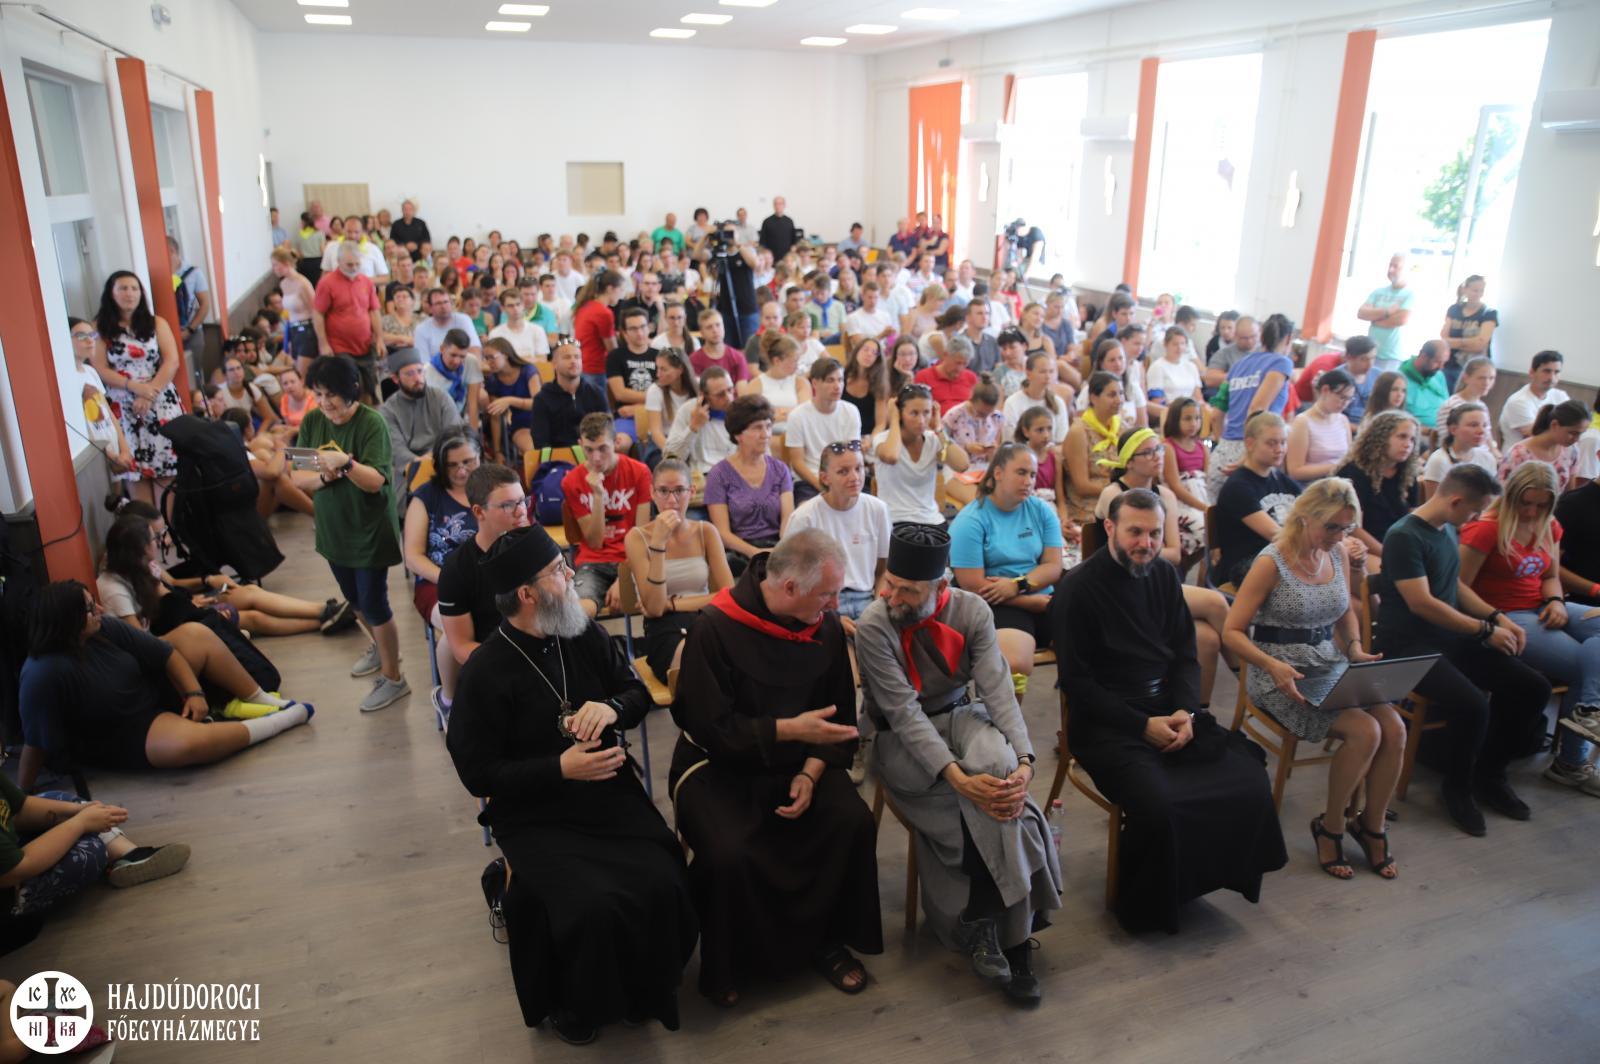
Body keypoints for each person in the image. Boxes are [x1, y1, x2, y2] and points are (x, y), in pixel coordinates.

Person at [445, 526, 697, 1044]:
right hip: (533, 810)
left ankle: (642, 988)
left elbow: (635, 692)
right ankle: (578, 1004)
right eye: (559, 570)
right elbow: (477, 773)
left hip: (606, 791)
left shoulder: (582, 634)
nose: (571, 574)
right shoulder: (484, 672)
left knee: (662, 875)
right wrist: (559, 769)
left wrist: (613, 707)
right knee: (587, 904)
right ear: (527, 593)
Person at [1055, 489, 1287, 931]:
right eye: (1135, 532)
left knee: (1248, 778)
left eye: (1154, 533)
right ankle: (1146, 903)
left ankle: (1195, 882)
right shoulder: (1077, 589)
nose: (1145, 543)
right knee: (1160, 803)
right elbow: (1077, 683)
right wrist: (1141, 726)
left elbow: (1184, 655)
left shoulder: (1163, 574)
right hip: (1106, 724)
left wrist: (1186, 712)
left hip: (1169, 709)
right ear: (1110, 528)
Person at [668, 528, 882, 1004]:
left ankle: (826, 941)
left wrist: (810, 772)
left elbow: (838, 721)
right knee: (729, 852)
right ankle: (732, 964)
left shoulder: (824, 626)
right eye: (827, 594)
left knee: (850, 822)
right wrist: (788, 729)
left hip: (799, 761)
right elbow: (711, 727)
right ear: (789, 587)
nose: (835, 605)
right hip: (717, 764)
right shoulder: (714, 627)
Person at [857, 525, 1060, 1002]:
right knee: (1004, 812)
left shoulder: (972, 611)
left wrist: (1025, 760)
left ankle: (980, 921)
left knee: (1002, 774)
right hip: (900, 739)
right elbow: (904, 716)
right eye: (890, 584)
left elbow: (997, 691)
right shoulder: (873, 625)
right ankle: (1016, 941)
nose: (893, 597)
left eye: (908, 591)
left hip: (961, 714)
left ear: (941, 587)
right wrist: (955, 777)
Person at [1223, 478, 1404, 879]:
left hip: (1327, 660)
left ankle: (1371, 825)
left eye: (1346, 527)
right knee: (1365, 731)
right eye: (1332, 527)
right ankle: (1331, 826)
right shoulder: (1272, 561)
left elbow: (1344, 610)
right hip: (1279, 669)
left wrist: (1354, 648)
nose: (1339, 536)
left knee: (1394, 726)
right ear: (1305, 517)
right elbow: (1231, 631)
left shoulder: (1336, 552)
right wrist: (1271, 665)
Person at [1374, 463, 1551, 836]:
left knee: (1534, 687)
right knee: (1473, 705)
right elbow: (1421, 603)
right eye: (1475, 510)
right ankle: (1457, 788)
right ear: (1455, 501)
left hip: (1446, 638)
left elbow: (1454, 586)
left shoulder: (1447, 528)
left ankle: (1490, 772)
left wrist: (1497, 617)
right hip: (1408, 646)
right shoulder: (1404, 535)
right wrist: (1484, 630)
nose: (1476, 518)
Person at [18, 582, 313, 791]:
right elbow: (35, 743)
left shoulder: (103, 628)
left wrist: (194, 694)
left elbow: (165, 653)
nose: (98, 608)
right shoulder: (42, 674)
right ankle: (283, 720)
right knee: (190, 746)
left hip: (148, 688)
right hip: (123, 730)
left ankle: (263, 699)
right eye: (88, 608)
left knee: (195, 633)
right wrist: (22, 797)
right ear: (67, 621)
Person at [1457, 461, 1600, 798]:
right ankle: (1571, 762)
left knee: (1592, 650)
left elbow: (1550, 576)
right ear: (1511, 497)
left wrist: (1556, 601)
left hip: (1540, 606)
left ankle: (1589, 710)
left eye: (1541, 505)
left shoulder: (1549, 526)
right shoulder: (1486, 529)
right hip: (1506, 614)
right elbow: (1458, 586)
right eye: (1526, 503)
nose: (1532, 512)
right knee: (1582, 665)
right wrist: (1495, 617)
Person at [293, 355, 409, 712]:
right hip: (334, 530)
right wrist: (324, 476)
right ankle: (382, 648)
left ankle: (394, 678)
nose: (324, 402)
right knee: (354, 599)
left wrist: (346, 463)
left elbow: (375, 482)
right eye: (318, 394)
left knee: (374, 603)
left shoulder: (372, 422)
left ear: (351, 390)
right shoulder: (313, 420)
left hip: (369, 530)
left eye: (331, 394)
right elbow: (298, 477)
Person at [1095, 429, 1235, 707]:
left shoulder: (1165, 495)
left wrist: (1146, 551)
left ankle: (1197, 713)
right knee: (1216, 602)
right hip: (1121, 584)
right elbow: (1130, 554)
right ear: (1129, 461)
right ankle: (1250, 680)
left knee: (1207, 640)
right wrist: (1153, 550)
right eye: (1147, 452)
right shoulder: (1113, 494)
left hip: (1158, 579)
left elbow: (1175, 554)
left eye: (1159, 449)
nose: (1157, 457)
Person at [99, 512, 350, 639]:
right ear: (140, 546)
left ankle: (325, 610)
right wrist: (193, 604)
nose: (162, 541)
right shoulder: (116, 586)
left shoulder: (144, 564)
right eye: (155, 537)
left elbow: (171, 584)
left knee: (249, 592)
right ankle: (324, 621)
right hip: (175, 626)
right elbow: (142, 637)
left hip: (184, 607)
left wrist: (206, 582)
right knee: (251, 617)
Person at [949, 444, 1064, 691]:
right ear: (998, 473)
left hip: (1037, 598)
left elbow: (1053, 566)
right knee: (1015, 663)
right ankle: (1006, 718)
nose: (1028, 481)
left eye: (1032, 474)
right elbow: (972, 587)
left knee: (1096, 643)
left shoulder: (1042, 511)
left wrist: (1017, 585)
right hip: (994, 603)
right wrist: (1027, 601)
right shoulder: (970, 520)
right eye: (1021, 472)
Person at [624, 459, 734, 680]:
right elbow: (655, 608)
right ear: (652, 493)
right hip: (663, 627)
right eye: (664, 491)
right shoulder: (637, 538)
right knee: (700, 660)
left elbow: (729, 596)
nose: (672, 500)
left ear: (691, 492)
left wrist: (672, 604)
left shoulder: (706, 532)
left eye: (679, 490)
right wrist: (658, 543)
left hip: (706, 617)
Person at [90, 271, 185, 506]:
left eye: (134, 288)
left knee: (166, 468)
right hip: (123, 402)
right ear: (111, 293)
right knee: (134, 470)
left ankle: (167, 526)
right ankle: (149, 525)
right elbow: (99, 367)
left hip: (160, 399)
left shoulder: (157, 323)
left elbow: (171, 361)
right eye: (123, 288)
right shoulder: (100, 327)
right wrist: (134, 387)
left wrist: (149, 392)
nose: (129, 294)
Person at [787, 442, 891, 633]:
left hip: (868, 599)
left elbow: (883, 571)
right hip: (823, 604)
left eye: (859, 468)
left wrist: (878, 609)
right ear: (825, 478)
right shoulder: (804, 517)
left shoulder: (878, 509)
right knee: (842, 646)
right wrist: (827, 617)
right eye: (843, 471)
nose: (854, 477)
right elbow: (793, 581)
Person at [564, 414, 653, 618]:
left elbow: (642, 535)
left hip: (633, 558)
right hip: (594, 561)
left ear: (616, 442)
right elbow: (595, 542)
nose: (596, 458)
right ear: (580, 445)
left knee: (656, 597)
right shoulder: (572, 481)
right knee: (577, 613)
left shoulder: (639, 472)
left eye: (603, 448)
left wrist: (624, 578)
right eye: (589, 450)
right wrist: (597, 495)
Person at [1208, 315, 1295, 502]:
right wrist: (1247, 455)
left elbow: (1216, 414)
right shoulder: (1281, 363)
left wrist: (1222, 443)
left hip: (1223, 451)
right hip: (1255, 452)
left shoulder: (1238, 365)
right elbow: (1257, 407)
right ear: (1288, 339)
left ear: (1261, 336)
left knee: (1214, 514)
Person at [705, 395, 793, 578]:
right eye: (757, 428)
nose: (766, 434)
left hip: (777, 548)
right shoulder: (719, 474)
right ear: (738, 435)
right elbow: (722, 532)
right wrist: (753, 552)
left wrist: (781, 549)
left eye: (768, 426)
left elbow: (788, 519)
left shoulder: (780, 469)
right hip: (739, 551)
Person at [1215, 412, 1302, 588]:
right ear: (1250, 443)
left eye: (1283, 442)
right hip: (1248, 566)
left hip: (1283, 558)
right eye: (1271, 443)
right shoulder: (1238, 487)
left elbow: (1312, 515)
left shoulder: (1282, 480)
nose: (1279, 449)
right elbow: (1276, 535)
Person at [402, 432, 480, 623]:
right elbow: (413, 557)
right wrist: (450, 580)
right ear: (440, 466)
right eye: (452, 465)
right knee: (461, 621)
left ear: (479, 456)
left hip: (491, 576)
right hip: (439, 581)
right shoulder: (426, 497)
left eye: (468, 462)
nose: (461, 472)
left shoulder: (495, 488)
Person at [1337, 410, 1421, 571]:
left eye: (1412, 439)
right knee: (1394, 574)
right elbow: (1353, 528)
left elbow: (1413, 518)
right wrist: (1388, 553)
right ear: (1380, 438)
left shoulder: (1407, 473)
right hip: (1363, 546)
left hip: (1397, 543)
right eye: (1402, 437)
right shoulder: (1355, 472)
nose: (1408, 444)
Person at [875, 383, 969, 529]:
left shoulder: (934, 439)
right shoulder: (883, 439)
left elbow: (962, 465)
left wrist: (939, 428)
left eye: (926, 413)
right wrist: (893, 419)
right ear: (900, 413)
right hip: (895, 521)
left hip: (931, 520)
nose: (921, 421)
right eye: (914, 413)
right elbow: (892, 456)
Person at [380, 346, 465, 490]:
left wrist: (436, 459)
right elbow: (396, 450)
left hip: (445, 462)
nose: (418, 379)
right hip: (410, 469)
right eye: (409, 374)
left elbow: (454, 434)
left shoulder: (441, 397)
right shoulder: (388, 410)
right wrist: (422, 465)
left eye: (420, 371)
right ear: (395, 378)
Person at [313, 241, 387, 401]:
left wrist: (380, 338)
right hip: (339, 346)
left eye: (357, 264)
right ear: (338, 261)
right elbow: (318, 314)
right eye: (349, 264)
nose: (354, 268)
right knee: (349, 390)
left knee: (370, 389)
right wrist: (323, 344)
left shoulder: (366, 281)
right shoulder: (327, 283)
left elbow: (374, 310)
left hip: (365, 345)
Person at [785, 357, 860, 505]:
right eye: (830, 380)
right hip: (810, 481)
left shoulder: (851, 411)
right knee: (806, 511)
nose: (837, 386)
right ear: (815, 383)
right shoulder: (797, 415)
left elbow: (853, 453)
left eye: (840, 380)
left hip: (844, 477)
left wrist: (841, 482)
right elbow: (797, 463)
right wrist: (823, 486)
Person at [68, 316, 134, 475]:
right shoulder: (67, 379)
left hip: (112, 446)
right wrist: (110, 456)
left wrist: (125, 449)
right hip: (97, 456)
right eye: (81, 336)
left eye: (92, 335)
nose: (89, 340)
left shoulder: (90, 371)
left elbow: (109, 413)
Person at [1062, 370, 1124, 526]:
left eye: (1121, 393)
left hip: (1120, 499)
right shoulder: (1079, 432)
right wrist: (1120, 490)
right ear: (1093, 398)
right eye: (1112, 395)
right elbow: (1081, 486)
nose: (1119, 400)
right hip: (1089, 506)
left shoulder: (1122, 427)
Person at [530, 343, 609, 448]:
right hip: (558, 456)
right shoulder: (542, 399)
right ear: (554, 364)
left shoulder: (596, 393)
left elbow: (607, 431)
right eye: (567, 357)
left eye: (577, 357)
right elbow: (540, 441)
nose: (573, 361)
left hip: (593, 453)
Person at [1499, 399, 1586, 491]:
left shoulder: (1571, 451)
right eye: (1573, 433)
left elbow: (1570, 491)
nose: (1577, 439)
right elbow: (1504, 493)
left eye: (1580, 434)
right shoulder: (1519, 454)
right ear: (1554, 425)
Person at [1286, 367, 1355, 482]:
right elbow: (1295, 471)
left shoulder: (1343, 420)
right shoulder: (1302, 422)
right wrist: (1336, 466)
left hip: (1339, 482)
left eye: (1349, 399)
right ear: (1325, 390)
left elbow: (1349, 457)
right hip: (1314, 486)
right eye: (1342, 397)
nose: (1345, 403)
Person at [1161, 397, 1210, 558]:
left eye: (1197, 418)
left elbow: (1207, 480)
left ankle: (1206, 572)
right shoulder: (1168, 447)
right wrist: (1203, 508)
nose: (1193, 423)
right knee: (1204, 530)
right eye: (1187, 419)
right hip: (1181, 503)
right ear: (1175, 420)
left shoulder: (1202, 447)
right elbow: (1175, 486)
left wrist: (1207, 506)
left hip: (1202, 499)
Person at [1422, 401, 1496, 501]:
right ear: (1453, 429)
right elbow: (1433, 505)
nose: (1481, 431)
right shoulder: (1439, 461)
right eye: (1473, 425)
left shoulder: (1487, 458)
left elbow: (1491, 498)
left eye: (1485, 425)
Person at [1294, 335, 1377, 422]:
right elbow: (1328, 415)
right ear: (1349, 357)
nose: (1370, 364)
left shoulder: (1378, 375)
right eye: (1364, 359)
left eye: (1373, 358)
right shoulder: (1335, 376)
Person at [1357, 252, 1414, 371]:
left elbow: (1401, 319)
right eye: (1390, 265)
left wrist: (1374, 319)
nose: (1390, 270)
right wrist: (1387, 312)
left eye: (1396, 266)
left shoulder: (1410, 294)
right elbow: (1361, 313)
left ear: (1407, 269)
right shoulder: (1378, 292)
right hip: (1372, 353)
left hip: (1394, 356)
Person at [1499, 350, 1569, 445]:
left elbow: (1573, 424)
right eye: (1546, 371)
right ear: (1532, 372)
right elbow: (1537, 436)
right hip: (1521, 452)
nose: (1552, 378)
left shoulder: (1560, 396)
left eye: (1556, 372)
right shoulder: (1518, 401)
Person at [1440, 274, 1497, 391]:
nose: (1478, 294)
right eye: (1475, 290)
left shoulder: (1489, 313)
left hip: (1474, 369)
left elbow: (1480, 344)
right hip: (1449, 364)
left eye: (1481, 291)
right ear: (1465, 290)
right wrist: (1469, 343)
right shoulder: (1454, 309)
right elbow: (1444, 339)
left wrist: (1454, 343)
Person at [748, 333, 811, 437]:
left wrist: (773, 414)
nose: (797, 366)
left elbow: (805, 414)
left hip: (797, 435)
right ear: (777, 361)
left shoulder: (801, 383)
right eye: (794, 361)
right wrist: (790, 412)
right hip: (766, 437)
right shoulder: (755, 384)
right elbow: (752, 419)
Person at [1146, 326, 1203, 424]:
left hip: (1192, 413)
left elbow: (1198, 397)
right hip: (1170, 415)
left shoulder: (1191, 366)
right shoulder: (1158, 367)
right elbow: (1156, 401)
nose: (1179, 348)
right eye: (1175, 344)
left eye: (1182, 344)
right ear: (1166, 344)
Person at [1435, 355, 1497, 442]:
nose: (1487, 383)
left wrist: (1494, 450)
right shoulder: (1451, 406)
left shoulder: (1482, 406)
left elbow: (1488, 439)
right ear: (1466, 378)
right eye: (1481, 378)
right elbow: (1446, 441)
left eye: (1491, 378)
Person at [842, 337, 891, 442]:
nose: (869, 354)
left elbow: (881, 424)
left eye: (874, 352)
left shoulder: (879, 384)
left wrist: (870, 440)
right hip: (842, 433)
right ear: (857, 351)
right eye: (866, 349)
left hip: (867, 436)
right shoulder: (842, 377)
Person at [915, 336, 979, 415]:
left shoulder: (971, 378)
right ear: (945, 355)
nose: (960, 368)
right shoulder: (924, 377)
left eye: (965, 364)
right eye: (957, 363)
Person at [488, 285, 551, 363]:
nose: (515, 309)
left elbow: (542, 360)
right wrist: (527, 359)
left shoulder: (538, 330)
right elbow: (493, 362)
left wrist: (512, 360)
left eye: (518, 304)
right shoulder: (495, 334)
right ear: (503, 308)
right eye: (510, 306)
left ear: (523, 305)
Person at [1398, 340, 1451, 433]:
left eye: (1444, 363)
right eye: (1437, 362)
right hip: (1417, 432)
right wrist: (1427, 431)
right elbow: (1395, 418)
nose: (1441, 367)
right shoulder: (1399, 379)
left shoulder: (1438, 375)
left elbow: (1448, 406)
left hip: (1444, 429)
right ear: (1424, 356)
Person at [1203, 314, 1258, 391]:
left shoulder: (1266, 350)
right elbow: (1210, 380)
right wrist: (1244, 377)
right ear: (1235, 335)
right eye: (1244, 338)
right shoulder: (1224, 353)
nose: (1250, 341)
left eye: (1253, 336)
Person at [842, 282, 895, 351]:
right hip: (863, 354)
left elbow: (891, 341)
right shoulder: (853, 318)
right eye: (870, 297)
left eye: (876, 297)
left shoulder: (885, 316)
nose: (873, 301)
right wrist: (881, 335)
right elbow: (860, 345)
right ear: (862, 297)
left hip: (883, 353)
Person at [758, 195, 798, 261]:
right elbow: (762, 242)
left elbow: (794, 241)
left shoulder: (789, 221)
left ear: (784, 205)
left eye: (780, 204)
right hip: (771, 258)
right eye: (776, 204)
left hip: (786, 258)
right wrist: (766, 254)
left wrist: (792, 251)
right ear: (773, 206)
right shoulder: (767, 222)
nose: (778, 206)